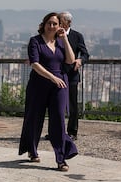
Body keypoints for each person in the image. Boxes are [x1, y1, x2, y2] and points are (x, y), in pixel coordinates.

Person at [19, 12, 78, 171]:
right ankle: (32, 150)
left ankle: (61, 158)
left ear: (60, 26)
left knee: (58, 119)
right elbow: (35, 64)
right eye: (49, 23)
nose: (52, 26)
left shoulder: (60, 42)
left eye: (55, 24)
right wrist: (52, 77)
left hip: (59, 84)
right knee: (34, 118)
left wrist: (65, 39)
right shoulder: (35, 41)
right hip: (39, 83)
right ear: (44, 25)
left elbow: (70, 60)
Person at [58, 11, 89, 140]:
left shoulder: (77, 36)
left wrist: (80, 60)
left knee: (72, 104)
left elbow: (85, 53)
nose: (58, 23)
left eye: (61, 21)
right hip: (57, 73)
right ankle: (57, 130)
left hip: (72, 74)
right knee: (56, 104)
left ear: (68, 22)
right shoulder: (55, 35)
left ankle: (72, 131)